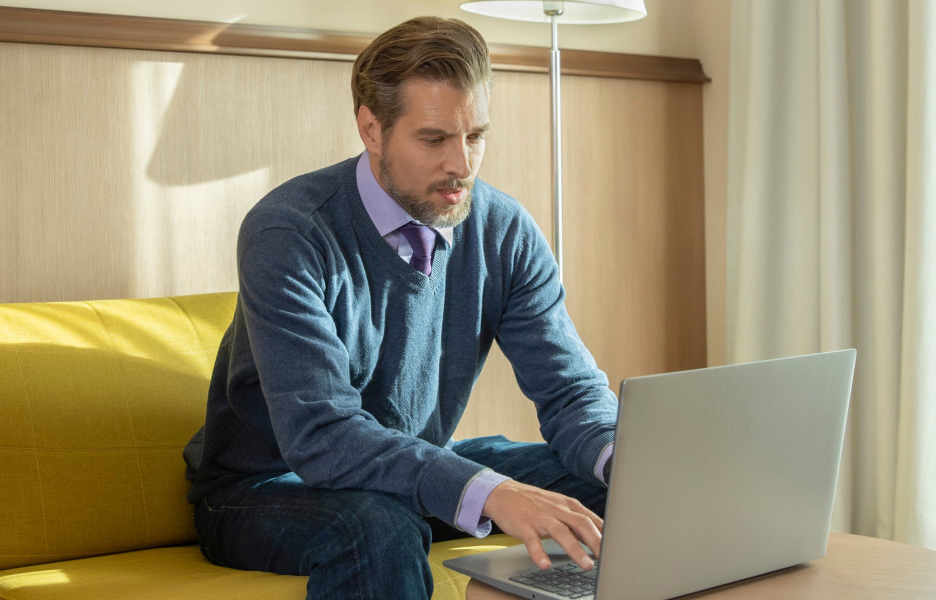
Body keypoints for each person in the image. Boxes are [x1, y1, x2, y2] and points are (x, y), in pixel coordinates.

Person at [183, 15, 619, 600]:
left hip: (408, 465)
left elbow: (569, 393)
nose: (462, 165)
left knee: (628, 490)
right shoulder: (288, 232)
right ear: (371, 128)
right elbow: (324, 435)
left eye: (476, 136)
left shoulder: (502, 230)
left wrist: (629, 462)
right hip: (266, 485)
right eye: (434, 139)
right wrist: (490, 492)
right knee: (377, 527)